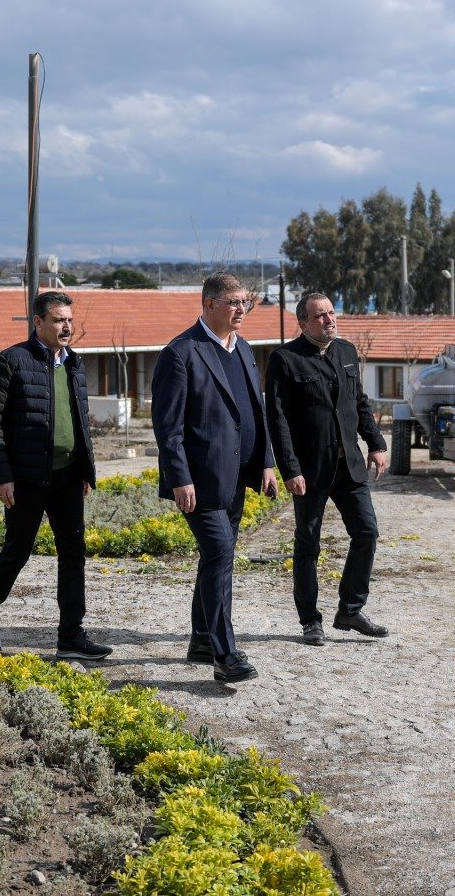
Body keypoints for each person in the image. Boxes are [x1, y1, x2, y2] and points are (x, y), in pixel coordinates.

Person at [0, 290, 112, 661]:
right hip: (26, 478)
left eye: (69, 320)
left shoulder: (75, 364)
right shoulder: (12, 361)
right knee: (18, 550)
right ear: (38, 322)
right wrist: (1, 476)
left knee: (73, 553)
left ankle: (71, 634)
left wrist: (84, 468)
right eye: (58, 320)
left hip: (67, 477)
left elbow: (79, 422)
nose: (67, 327)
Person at [152, 272, 278, 684]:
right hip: (199, 480)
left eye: (245, 303)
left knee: (215, 559)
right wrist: (179, 477)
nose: (242, 310)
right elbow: (167, 427)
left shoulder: (242, 347)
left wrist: (266, 463)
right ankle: (225, 655)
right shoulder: (182, 352)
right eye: (234, 303)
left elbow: (255, 412)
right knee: (221, 555)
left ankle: (202, 639)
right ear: (208, 305)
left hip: (236, 476)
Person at [265, 292, 390, 646]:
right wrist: (289, 468)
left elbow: (359, 403)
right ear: (303, 323)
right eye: (319, 316)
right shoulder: (285, 360)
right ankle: (310, 621)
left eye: (331, 313)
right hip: (309, 471)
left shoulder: (347, 352)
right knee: (309, 545)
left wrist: (376, 444)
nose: (328, 320)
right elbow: (278, 420)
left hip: (348, 467)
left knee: (366, 533)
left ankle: (350, 609)